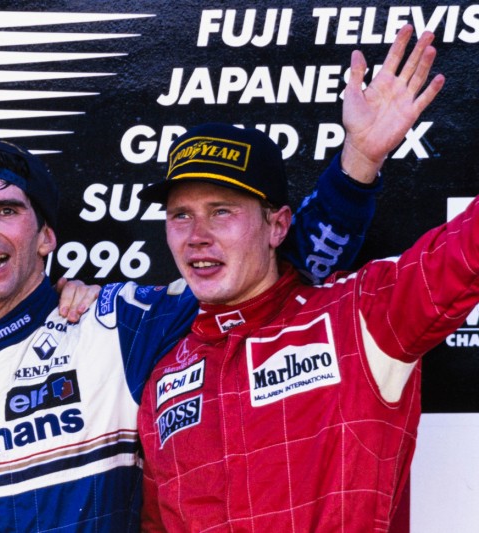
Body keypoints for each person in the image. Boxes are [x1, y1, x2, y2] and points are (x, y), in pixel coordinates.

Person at [0, 27, 420, 525]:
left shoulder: (118, 323)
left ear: (47, 237)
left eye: (7, 210)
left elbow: (272, 267)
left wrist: (356, 166)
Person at [136, 25, 448, 532]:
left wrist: (363, 159)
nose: (196, 236)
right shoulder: (163, 374)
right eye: (180, 215)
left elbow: (462, 257)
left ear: (277, 225)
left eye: (221, 212)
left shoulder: (359, 315)